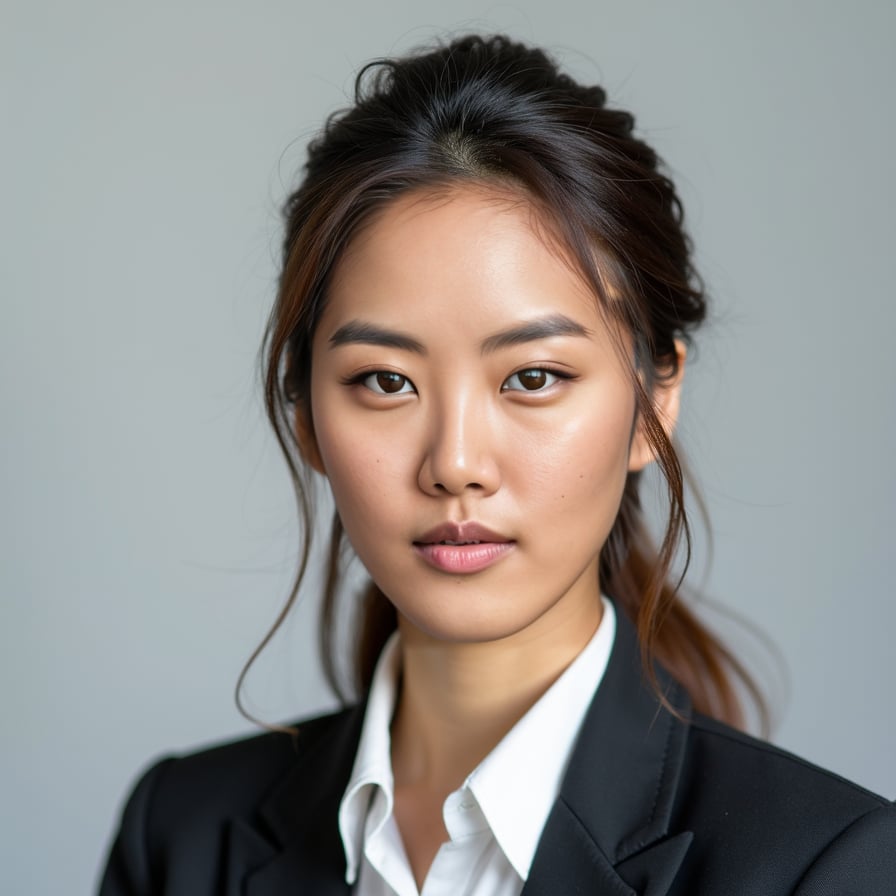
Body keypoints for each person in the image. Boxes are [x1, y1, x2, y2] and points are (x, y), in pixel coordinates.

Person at [98, 34, 895, 896]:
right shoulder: (181, 838)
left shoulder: (825, 868)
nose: (456, 464)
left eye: (533, 377)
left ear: (654, 400)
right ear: (306, 417)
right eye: (386, 381)